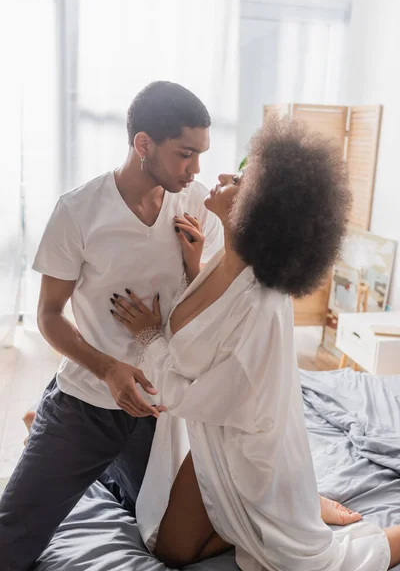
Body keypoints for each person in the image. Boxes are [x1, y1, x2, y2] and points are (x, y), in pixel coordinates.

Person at [109, 117, 400, 571]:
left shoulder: (261, 307)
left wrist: (149, 337)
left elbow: (188, 395)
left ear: (261, 209)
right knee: (169, 548)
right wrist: (191, 264)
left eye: (240, 180)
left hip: (251, 458)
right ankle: (301, 504)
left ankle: (382, 535)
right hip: (214, 440)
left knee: (305, 564)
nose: (222, 176)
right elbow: (204, 333)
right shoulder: (224, 257)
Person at [0, 81, 224, 571]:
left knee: (184, 527)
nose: (196, 169)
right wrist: (108, 369)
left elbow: (207, 307)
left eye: (201, 154)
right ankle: (50, 424)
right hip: (88, 403)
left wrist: (194, 264)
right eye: (185, 153)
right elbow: (48, 315)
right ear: (143, 144)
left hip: (162, 407)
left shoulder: (198, 205)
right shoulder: (78, 211)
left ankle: (104, 471)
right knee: (10, 542)